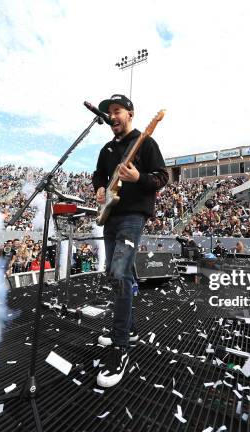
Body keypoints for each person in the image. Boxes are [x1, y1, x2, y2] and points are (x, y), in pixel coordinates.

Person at [92, 94, 168, 387]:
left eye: (117, 110)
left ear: (130, 114)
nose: (112, 116)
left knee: (120, 273)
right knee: (116, 274)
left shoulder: (146, 142)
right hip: (110, 217)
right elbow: (98, 175)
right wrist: (100, 189)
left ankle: (120, 346)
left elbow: (162, 177)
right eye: (109, 113)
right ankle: (131, 329)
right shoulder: (106, 149)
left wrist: (139, 178)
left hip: (132, 217)